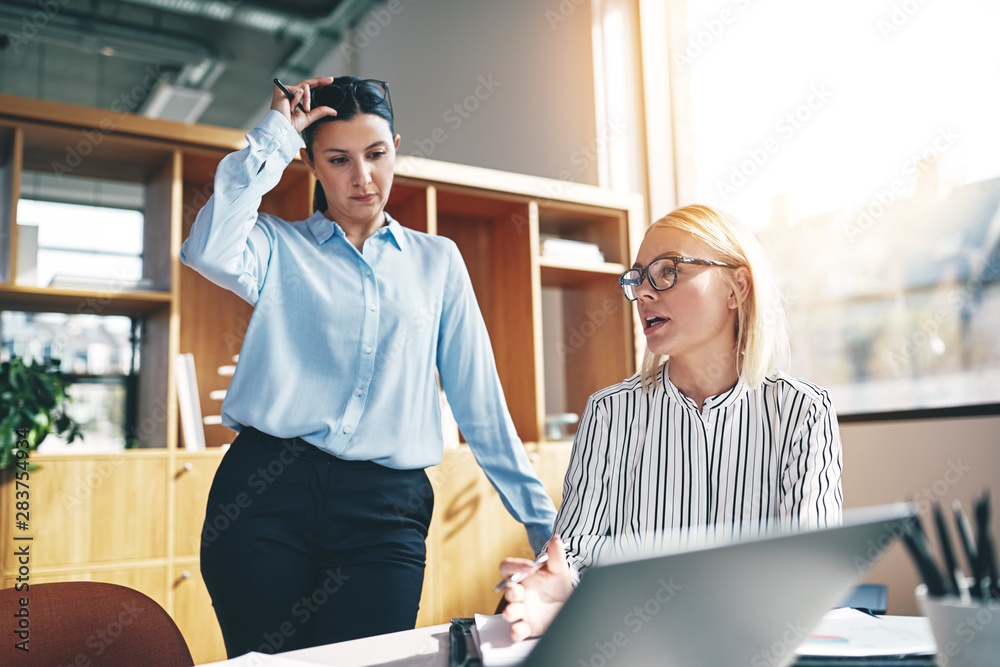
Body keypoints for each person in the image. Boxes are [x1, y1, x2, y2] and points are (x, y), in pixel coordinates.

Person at [181, 76, 556, 656]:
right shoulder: (277, 246)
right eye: (339, 159)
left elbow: (478, 401)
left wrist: (542, 523)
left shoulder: (438, 262)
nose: (363, 177)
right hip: (264, 496)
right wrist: (275, 134)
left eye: (377, 155)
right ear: (310, 164)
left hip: (385, 510)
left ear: (395, 148)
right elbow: (205, 249)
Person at [498, 204, 843, 641]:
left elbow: (806, 574)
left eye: (667, 272)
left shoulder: (803, 413)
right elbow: (575, 557)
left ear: (736, 287)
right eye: (637, 278)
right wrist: (560, 597)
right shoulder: (609, 413)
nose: (643, 293)